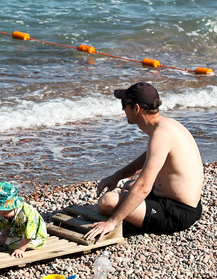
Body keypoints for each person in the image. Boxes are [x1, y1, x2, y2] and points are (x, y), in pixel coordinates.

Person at [84, 82, 204, 241]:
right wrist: (116, 176)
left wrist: (112, 222)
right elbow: (148, 158)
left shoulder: (161, 134)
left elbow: (143, 188)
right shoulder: (167, 126)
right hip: (184, 203)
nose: (122, 110)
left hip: (177, 213)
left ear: (136, 108)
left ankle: (122, 218)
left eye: (124, 104)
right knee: (129, 186)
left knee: (107, 202)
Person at [0, 181, 47, 258]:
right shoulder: (5, 212)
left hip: (34, 237)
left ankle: (12, 238)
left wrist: (20, 249)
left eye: (5, 212)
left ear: (14, 207)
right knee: (2, 228)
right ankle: (10, 233)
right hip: (20, 229)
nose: (2, 214)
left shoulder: (28, 215)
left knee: (3, 239)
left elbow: (29, 236)